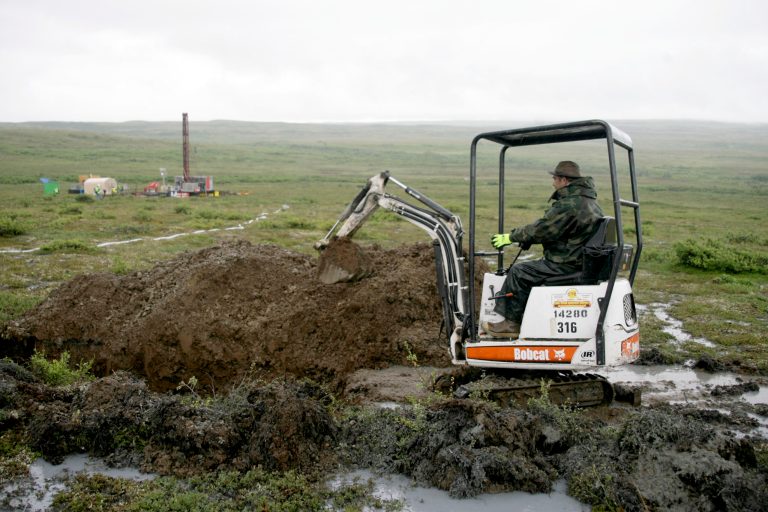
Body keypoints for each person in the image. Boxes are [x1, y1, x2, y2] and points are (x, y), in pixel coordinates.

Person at [483, 160, 604, 337]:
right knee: (528, 269)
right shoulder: (589, 202)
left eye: (555, 178)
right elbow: (559, 231)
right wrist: (530, 238)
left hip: (566, 263)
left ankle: (511, 325)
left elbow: (543, 228)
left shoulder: (570, 204)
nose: (553, 182)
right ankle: (524, 317)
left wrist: (511, 237)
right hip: (579, 260)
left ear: (564, 180)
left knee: (519, 272)